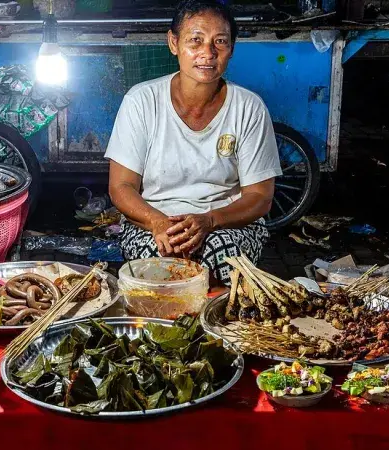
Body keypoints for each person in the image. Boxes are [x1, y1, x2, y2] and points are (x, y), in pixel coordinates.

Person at [105, 0, 281, 286]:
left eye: (220, 42)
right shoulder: (141, 101)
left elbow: (260, 196)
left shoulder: (249, 108)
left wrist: (210, 221)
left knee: (215, 267)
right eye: (195, 40)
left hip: (225, 223)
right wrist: (158, 222)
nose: (207, 53)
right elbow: (121, 187)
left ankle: (218, 324)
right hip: (154, 221)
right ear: (173, 43)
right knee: (162, 269)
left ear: (232, 48)